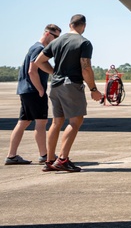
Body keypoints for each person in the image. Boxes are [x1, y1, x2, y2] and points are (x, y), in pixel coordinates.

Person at [30, 14, 103, 173]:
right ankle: (62, 159)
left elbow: (38, 61)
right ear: (83, 26)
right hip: (71, 85)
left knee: (56, 123)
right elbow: (86, 68)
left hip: (55, 85)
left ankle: (49, 160)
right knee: (75, 122)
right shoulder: (84, 42)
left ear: (70, 25)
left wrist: (54, 72)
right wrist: (93, 89)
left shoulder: (56, 41)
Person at [6, 24, 61, 166]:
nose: (56, 41)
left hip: (25, 90)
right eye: (55, 37)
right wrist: (40, 89)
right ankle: (44, 155)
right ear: (48, 34)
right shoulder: (39, 49)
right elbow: (32, 70)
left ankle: (11, 156)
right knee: (41, 122)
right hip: (33, 91)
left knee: (23, 122)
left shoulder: (34, 47)